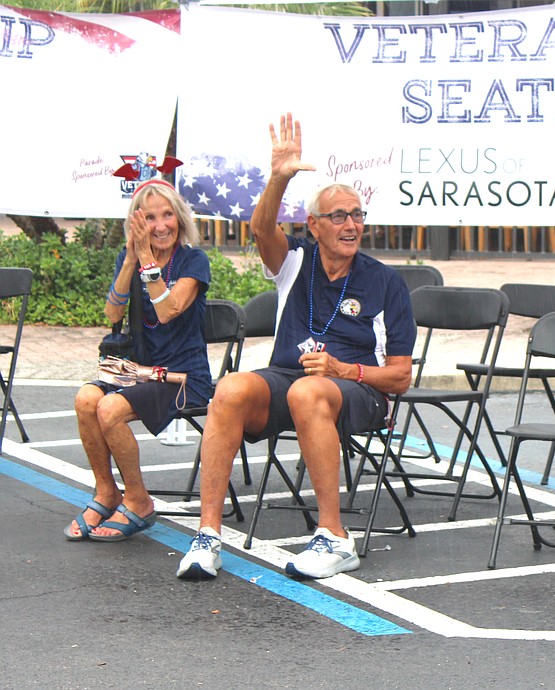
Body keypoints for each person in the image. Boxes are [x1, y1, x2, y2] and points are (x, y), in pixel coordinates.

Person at [176, 113, 416, 580]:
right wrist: (278, 178)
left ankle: (334, 537)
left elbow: (401, 377)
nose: (351, 224)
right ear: (315, 225)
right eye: (339, 216)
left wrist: (344, 371)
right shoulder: (295, 261)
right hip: (289, 380)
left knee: (310, 391)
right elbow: (262, 230)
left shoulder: (385, 283)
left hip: (358, 392)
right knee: (228, 389)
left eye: (357, 215)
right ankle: (208, 535)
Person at [64, 180, 212, 542]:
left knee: (111, 409)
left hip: (182, 377)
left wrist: (146, 259)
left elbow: (168, 311)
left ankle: (139, 500)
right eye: (149, 218)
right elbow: (112, 311)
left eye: (167, 215)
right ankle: (106, 492)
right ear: (136, 222)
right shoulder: (131, 257)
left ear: (179, 218)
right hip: (138, 372)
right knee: (86, 400)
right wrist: (131, 259)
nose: (160, 226)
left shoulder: (194, 261)